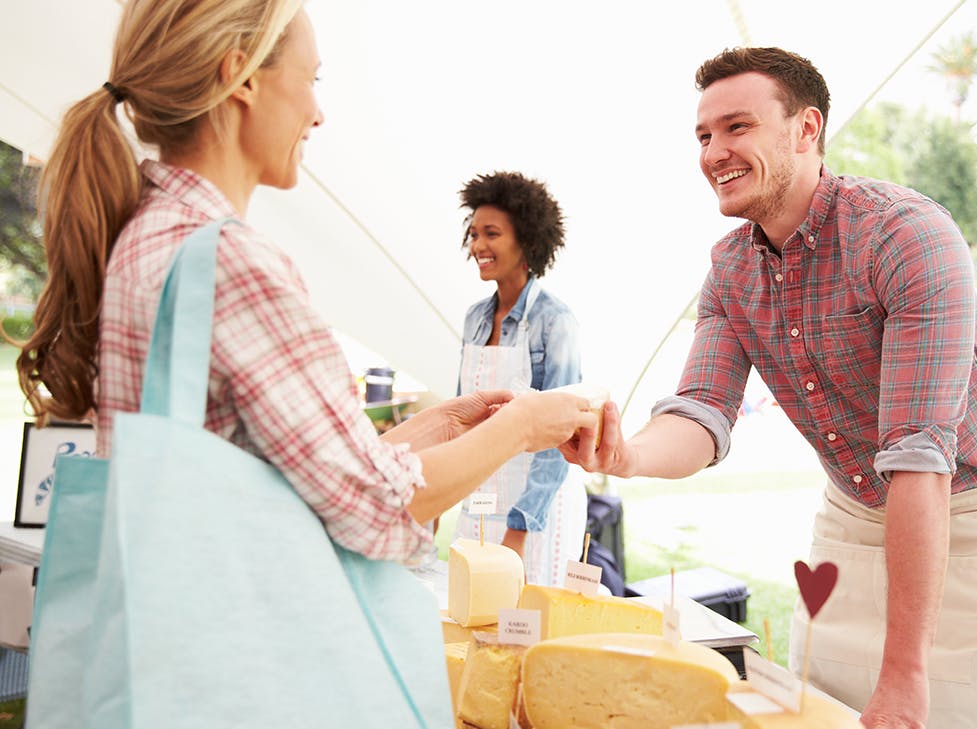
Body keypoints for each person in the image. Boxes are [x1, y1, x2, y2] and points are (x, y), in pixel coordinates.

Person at [565, 47, 977, 728]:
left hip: (968, 522)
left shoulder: (906, 235)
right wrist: (627, 455)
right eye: (704, 135)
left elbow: (919, 455)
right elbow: (702, 412)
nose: (714, 152)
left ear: (806, 129)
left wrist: (905, 674)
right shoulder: (730, 270)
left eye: (737, 127)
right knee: (824, 710)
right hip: (851, 520)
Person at [15, 0, 597, 568]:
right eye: (310, 79)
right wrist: (521, 428)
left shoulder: (148, 233)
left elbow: (301, 471)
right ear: (239, 77)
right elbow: (377, 507)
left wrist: (442, 423)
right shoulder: (232, 264)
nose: (318, 113)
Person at [454, 171, 585, 587]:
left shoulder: (554, 321)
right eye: (473, 234)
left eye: (491, 233)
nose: (478, 246)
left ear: (526, 239)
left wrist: (521, 526)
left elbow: (561, 433)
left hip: (535, 511)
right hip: (479, 501)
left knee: (526, 629)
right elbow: (459, 418)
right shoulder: (475, 318)